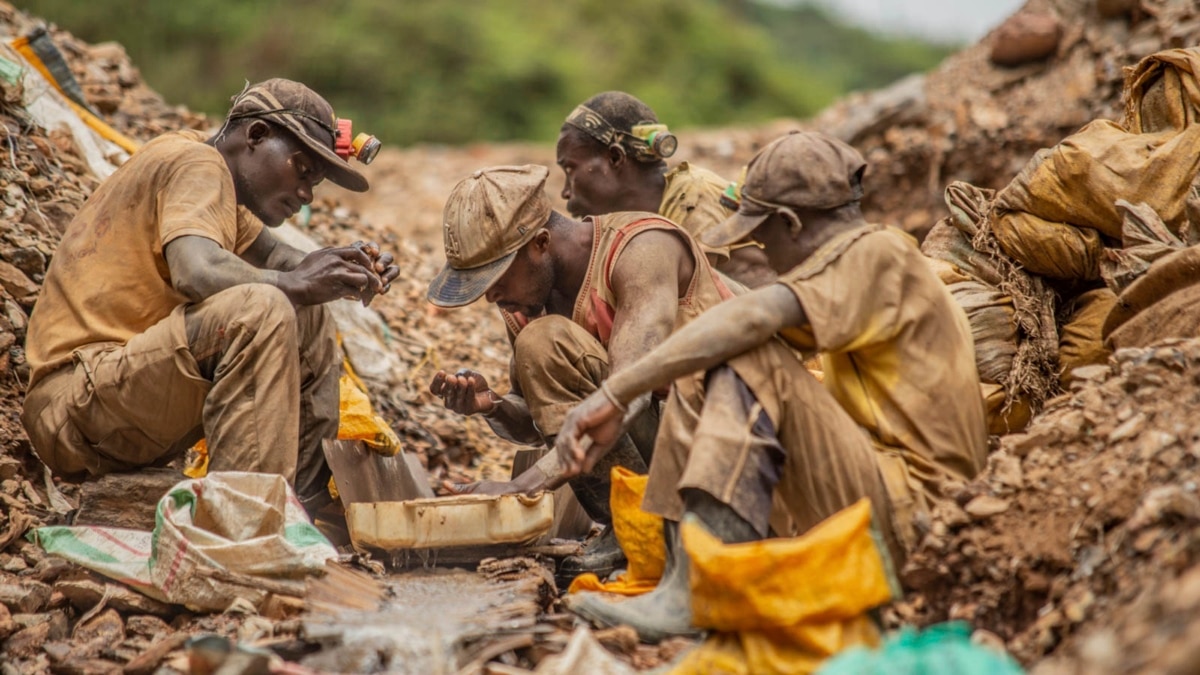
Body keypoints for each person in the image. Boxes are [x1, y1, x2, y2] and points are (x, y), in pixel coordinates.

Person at [553, 131, 989, 641]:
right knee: (706, 354)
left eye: (763, 236)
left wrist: (613, 393)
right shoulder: (853, 273)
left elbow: (752, 317)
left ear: (792, 223)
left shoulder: (879, 255)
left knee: (744, 352)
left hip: (916, 512)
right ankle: (684, 575)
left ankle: (705, 590)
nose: (762, 251)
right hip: (879, 491)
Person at [21, 79, 399, 514]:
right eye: (301, 170)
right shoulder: (197, 162)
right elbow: (196, 271)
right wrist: (296, 284)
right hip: (75, 404)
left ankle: (302, 510)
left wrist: (344, 266)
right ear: (256, 135)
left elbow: (278, 256)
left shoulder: (219, 188)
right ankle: (244, 526)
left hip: (116, 401)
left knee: (302, 308)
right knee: (264, 306)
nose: (306, 194)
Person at [426, 164, 737, 577]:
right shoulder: (526, 301)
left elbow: (627, 395)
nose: (491, 296)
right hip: (663, 453)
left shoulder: (641, 249)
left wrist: (525, 486)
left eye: (495, 277)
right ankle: (629, 528)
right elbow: (548, 422)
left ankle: (657, 530)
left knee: (544, 342)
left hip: (726, 445)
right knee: (541, 342)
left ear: (539, 244)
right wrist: (494, 407)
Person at [555, 91, 775, 289]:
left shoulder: (693, 198)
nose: (565, 192)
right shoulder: (639, 224)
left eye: (570, 169)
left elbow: (696, 301)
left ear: (615, 158)